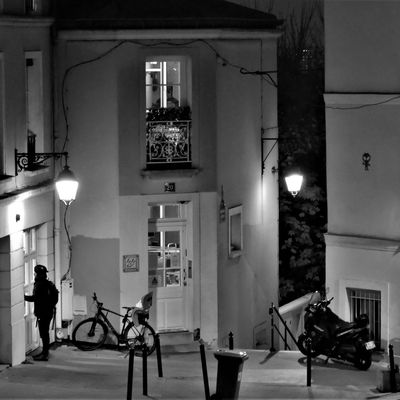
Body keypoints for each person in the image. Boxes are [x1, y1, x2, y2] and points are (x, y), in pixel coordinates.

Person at [24, 265, 59, 361]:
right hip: (49, 312)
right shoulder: (49, 284)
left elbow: (35, 298)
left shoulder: (39, 285)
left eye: (35, 273)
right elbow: (55, 298)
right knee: (45, 333)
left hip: (43, 313)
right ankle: (45, 352)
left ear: (37, 274)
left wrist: (23, 297)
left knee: (44, 333)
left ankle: (45, 354)